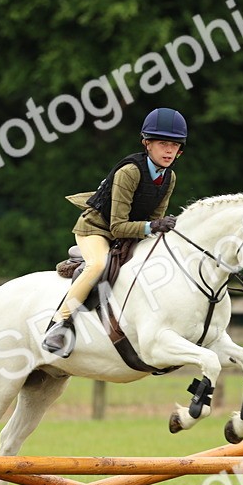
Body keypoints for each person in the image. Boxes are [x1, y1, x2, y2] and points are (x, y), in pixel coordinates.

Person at [42, 107, 187, 357]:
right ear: (147, 144)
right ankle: (59, 324)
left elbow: (154, 218)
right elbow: (117, 226)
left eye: (174, 146)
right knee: (98, 265)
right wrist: (153, 226)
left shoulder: (169, 177)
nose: (169, 150)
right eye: (162, 143)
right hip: (96, 230)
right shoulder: (129, 172)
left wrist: (159, 228)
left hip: (129, 233)